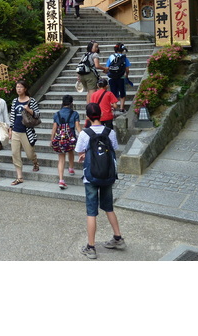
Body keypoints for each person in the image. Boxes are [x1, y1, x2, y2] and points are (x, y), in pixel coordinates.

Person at [75, 103, 126, 259]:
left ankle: (91, 247)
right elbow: (114, 148)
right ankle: (118, 238)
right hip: (108, 174)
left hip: (91, 176)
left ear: (88, 116)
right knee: (109, 207)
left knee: (91, 212)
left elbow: (78, 150)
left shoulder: (85, 133)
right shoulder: (109, 132)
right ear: (101, 115)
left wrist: (87, 154)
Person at [8, 80, 40, 185]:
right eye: (17, 87)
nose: (18, 89)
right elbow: (12, 116)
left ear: (25, 89)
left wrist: (29, 110)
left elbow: (37, 115)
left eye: (21, 87)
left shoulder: (31, 101)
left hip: (27, 131)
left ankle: (35, 162)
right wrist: (10, 129)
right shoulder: (14, 101)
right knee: (15, 153)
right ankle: (19, 177)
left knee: (30, 154)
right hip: (16, 131)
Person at [50, 95, 81, 189]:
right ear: (71, 103)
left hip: (60, 139)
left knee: (61, 158)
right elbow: (78, 127)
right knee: (70, 151)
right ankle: (71, 168)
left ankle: (61, 180)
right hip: (70, 138)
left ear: (62, 103)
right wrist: (84, 136)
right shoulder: (75, 113)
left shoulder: (57, 114)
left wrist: (52, 139)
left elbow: (54, 128)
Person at [105, 43, 131, 113]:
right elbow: (127, 69)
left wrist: (106, 72)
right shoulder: (124, 58)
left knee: (113, 92)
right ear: (122, 50)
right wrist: (126, 76)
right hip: (121, 77)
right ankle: (121, 108)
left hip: (112, 77)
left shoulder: (111, 57)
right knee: (122, 92)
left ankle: (114, 106)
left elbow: (107, 68)